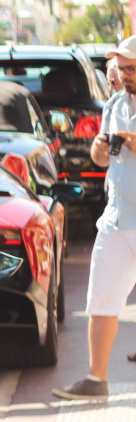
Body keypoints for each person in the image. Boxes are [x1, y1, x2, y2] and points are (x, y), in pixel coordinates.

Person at [54, 35, 136, 400]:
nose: (125, 74)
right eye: (122, 68)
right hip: (117, 217)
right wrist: (99, 148)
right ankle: (95, 379)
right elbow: (101, 160)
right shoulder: (114, 104)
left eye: (131, 68)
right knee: (101, 298)